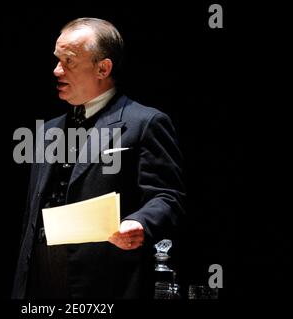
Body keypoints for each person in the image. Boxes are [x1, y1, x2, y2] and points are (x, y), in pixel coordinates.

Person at [12, 17, 185, 299]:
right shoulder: (47, 131)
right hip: (38, 273)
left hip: (103, 275)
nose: (57, 70)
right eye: (57, 59)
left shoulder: (145, 122)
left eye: (69, 61)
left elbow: (168, 196)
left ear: (103, 68)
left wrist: (141, 221)